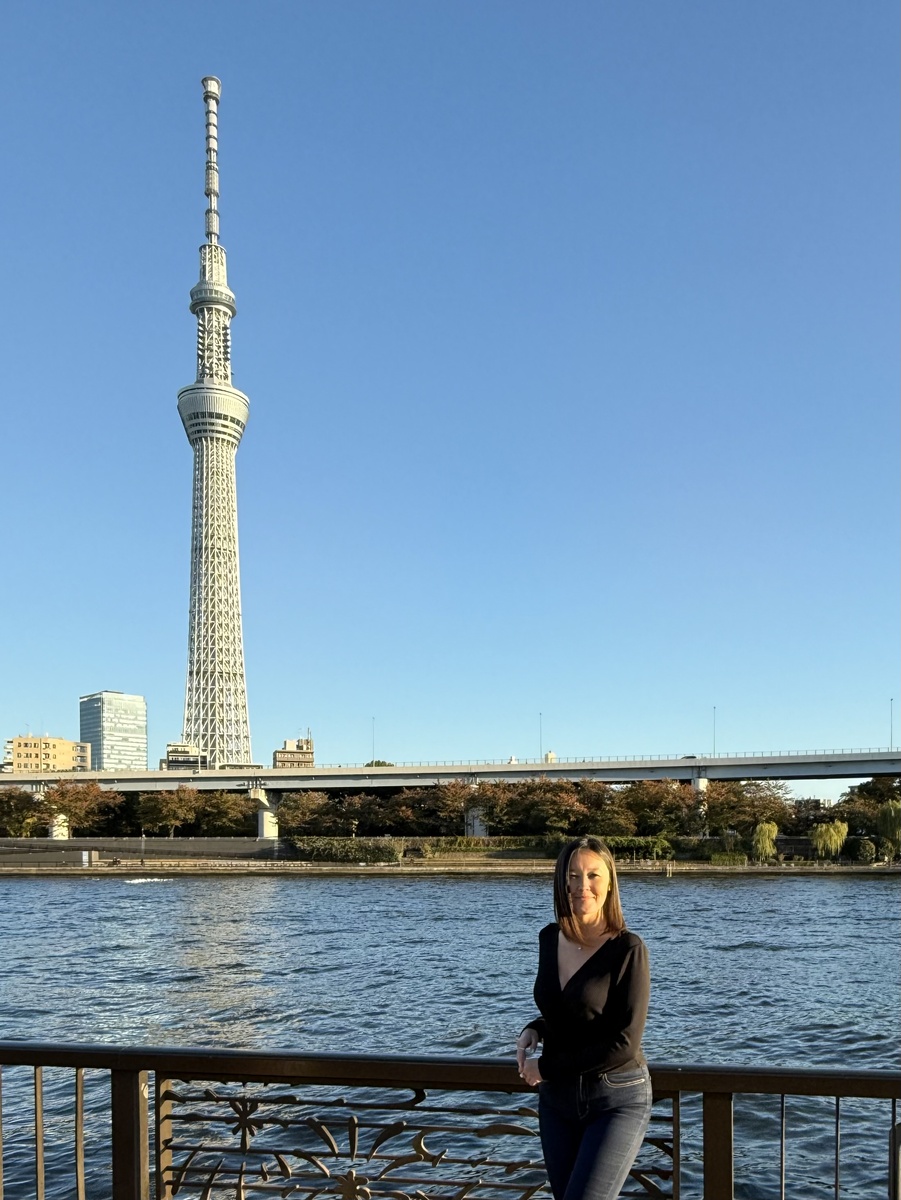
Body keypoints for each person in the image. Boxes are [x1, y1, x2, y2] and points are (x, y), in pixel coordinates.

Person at [516, 836, 652, 1200]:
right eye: (573, 876)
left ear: (609, 882)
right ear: (562, 881)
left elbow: (623, 1043)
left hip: (615, 1099)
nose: (582, 886)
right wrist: (536, 1028)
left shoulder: (628, 949)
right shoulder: (549, 938)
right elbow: (571, 1010)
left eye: (593, 875)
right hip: (557, 1101)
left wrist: (545, 1068)